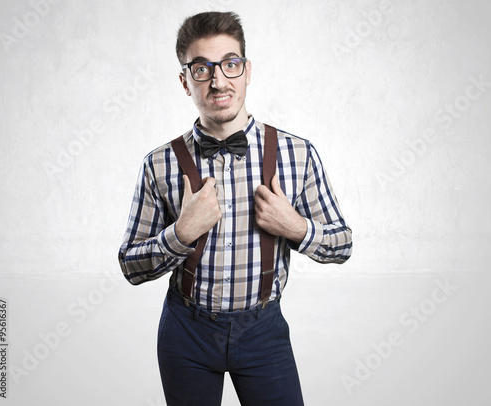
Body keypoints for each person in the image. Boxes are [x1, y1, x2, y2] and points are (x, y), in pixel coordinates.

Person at [118, 11, 352, 406]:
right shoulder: (159, 163)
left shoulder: (297, 154)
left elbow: (342, 244)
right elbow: (130, 265)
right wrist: (180, 234)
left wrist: (295, 227)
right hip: (185, 332)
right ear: (184, 80)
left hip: (264, 332)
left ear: (246, 71)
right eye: (201, 68)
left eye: (230, 64)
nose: (218, 81)